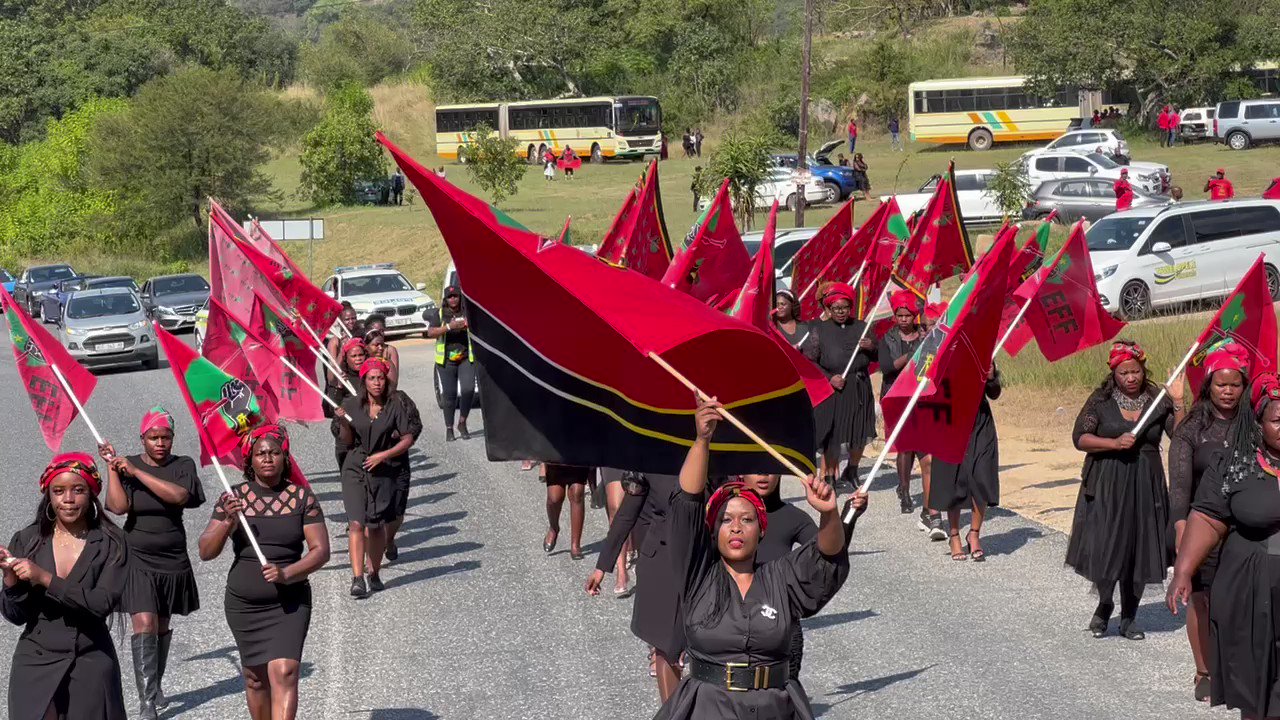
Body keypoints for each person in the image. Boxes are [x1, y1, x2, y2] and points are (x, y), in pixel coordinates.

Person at [651, 398, 859, 720]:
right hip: (709, 708)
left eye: (747, 520)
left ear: (761, 531)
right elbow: (687, 503)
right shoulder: (697, 575)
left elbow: (827, 559)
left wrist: (829, 512)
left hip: (775, 709)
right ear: (714, 530)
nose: (736, 526)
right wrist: (702, 439)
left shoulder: (781, 578)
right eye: (726, 520)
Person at [198, 425, 329, 720]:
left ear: (285, 458)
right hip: (244, 606)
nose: (267, 458)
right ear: (249, 460)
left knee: (285, 671)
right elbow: (206, 551)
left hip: (289, 601)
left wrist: (287, 574)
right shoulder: (233, 498)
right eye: (260, 453)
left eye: (274, 453)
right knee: (255, 679)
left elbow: (321, 551)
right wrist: (228, 522)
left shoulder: (302, 498)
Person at [1169, 371, 1280, 719]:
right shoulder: (1234, 463)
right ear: (1259, 422)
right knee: (1257, 684)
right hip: (1253, 589)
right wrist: (1184, 571)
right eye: (1278, 420)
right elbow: (1206, 517)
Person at [1065, 341, 1185, 640]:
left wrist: (1179, 402)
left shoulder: (1158, 400)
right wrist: (1113, 443)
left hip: (1146, 482)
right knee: (1108, 544)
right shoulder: (1101, 400)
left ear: (1144, 370)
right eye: (1124, 373)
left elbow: (1181, 438)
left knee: (1140, 546)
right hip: (1108, 482)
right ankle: (1105, 605)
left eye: (1136, 371)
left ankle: (1130, 616)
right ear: (1113, 374)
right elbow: (1080, 437)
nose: (1131, 378)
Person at [2, 453, 129, 720]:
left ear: (92, 494)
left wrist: (46, 579)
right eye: (58, 491)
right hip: (35, 660)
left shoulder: (111, 543)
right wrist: (10, 580)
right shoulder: (28, 539)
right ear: (49, 495)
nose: (68, 499)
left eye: (78, 490)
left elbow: (101, 605)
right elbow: (16, 617)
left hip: (90, 658)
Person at [98, 408, 205, 719]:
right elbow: (118, 507)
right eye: (153, 437)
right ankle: (147, 702)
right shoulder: (126, 466)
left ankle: (154, 684)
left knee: (160, 625)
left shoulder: (182, 465)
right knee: (143, 622)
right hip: (136, 557)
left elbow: (178, 496)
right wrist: (113, 470)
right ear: (141, 438)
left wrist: (136, 471)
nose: (160, 443)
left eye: (166, 438)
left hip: (172, 557)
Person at [1167, 344, 1248, 702]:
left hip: (1245, 529)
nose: (1228, 391)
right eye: (1221, 384)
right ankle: (1204, 670)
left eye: (1235, 385)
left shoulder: (1255, 424)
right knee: (1200, 601)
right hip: (1202, 528)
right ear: (1209, 384)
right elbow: (1180, 492)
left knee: (1239, 602)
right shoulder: (1191, 429)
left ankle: (1239, 666)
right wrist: (1184, 544)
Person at [585, 470, 686, 702]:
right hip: (660, 560)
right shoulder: (650, 463)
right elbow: (626, 515)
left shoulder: (714, 461)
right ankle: (672, 712)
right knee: (666, 647)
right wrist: (602, 566)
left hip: (704, 558)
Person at [332, 358, 418, 597]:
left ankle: (375, 572)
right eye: (372, 378)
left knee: (376, 524)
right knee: (357, 523)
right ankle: (357, 578)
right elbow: (347, 441)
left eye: (380, 378)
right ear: (364, 381)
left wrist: (384, 455)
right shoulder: (351, 404)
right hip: (355, 466)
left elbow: (407, 438)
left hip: (383, 468)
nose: (377, 383)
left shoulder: (395, 405)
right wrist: (342, 421)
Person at [929, 366, 1003, 562]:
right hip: (949, 419)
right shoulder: (941, 347)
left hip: (980, 422)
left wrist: (991, 376)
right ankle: (954, 536)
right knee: (953, 477)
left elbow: (994, 393)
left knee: (982, 475)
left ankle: (974, 533)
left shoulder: (980, 351)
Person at [878, 290, 936, 532]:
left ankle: (925, 496)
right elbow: (886, 367)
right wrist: (911, 355)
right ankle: (904, 489)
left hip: (920, 394)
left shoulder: (924, 336)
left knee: (919, 442)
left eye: (907, 315)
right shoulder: (887, 339)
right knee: (904, 444)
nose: (902, 319)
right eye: (899, 315)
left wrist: (925, 344)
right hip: (896, 393)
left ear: (915, 316)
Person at [813, 283, 877, 487]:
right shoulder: (819, 330)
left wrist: (871, 346)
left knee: (859, 432)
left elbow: (879, 356)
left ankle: (852, 469)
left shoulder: (862, 327)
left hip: (859, 386)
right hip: (835, 388)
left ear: (851, 308)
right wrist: (829, 378)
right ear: (828, 309)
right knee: (833, 434)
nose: (841, 313)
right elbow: (810, 362)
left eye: (845, 308)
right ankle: (830, 475)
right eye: (836, 309)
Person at [425, 285, 475, 441]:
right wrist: (448, 327)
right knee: (449, 395)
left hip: (466, 358)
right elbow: (431, 332)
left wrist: (468, 325)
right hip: (446, 361)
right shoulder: (440, 314)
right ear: (445, 299)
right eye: (450, 297)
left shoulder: (467, 311)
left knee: (468, 389)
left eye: (456, 296)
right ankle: (449, 428)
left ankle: (462, 422)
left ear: (460, 297)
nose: (453, 299)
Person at [329, 338, 367, 465]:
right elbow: (333, 407)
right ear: (346, 358)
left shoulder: (372, 376)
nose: (358, 359)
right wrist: (339, 386)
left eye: (361, 355)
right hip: (347, 433)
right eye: (354, 356)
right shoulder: (342, 379)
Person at [543, 464, 591, 560]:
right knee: (554, 499)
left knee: (577, 494)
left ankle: (575, 544)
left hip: (578, 455)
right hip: (557, 456)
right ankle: (554, 528)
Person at [773, 290, 815, 357]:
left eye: (782, 304)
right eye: (776, 305)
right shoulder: (772, 329)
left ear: (792, 305)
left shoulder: (806, 327)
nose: (779, 307)